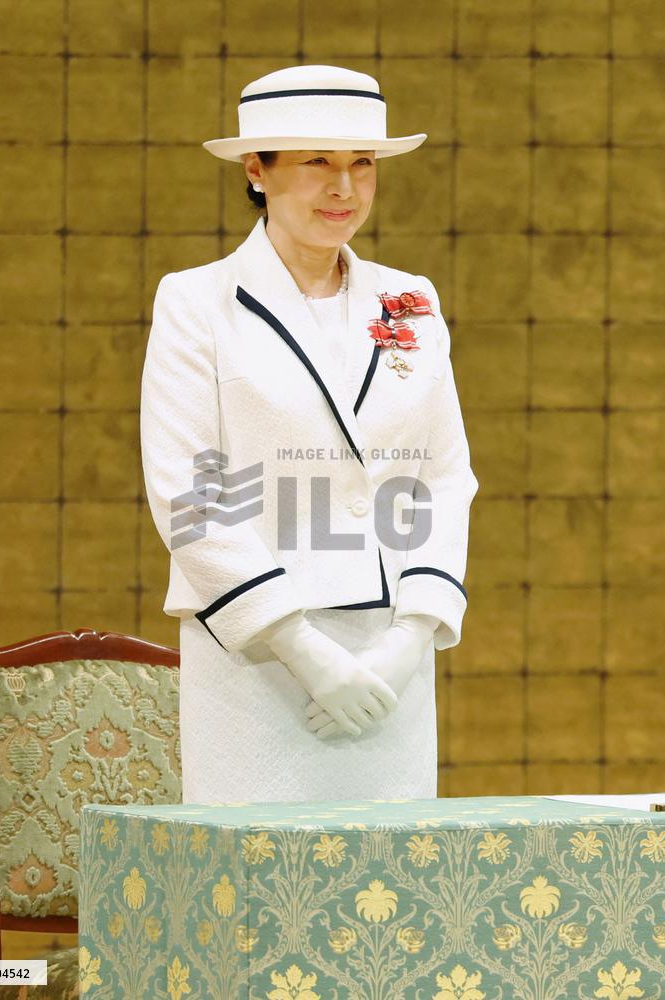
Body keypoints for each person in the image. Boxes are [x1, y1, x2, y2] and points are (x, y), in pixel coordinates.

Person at [140, 64, 479, 804]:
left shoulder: (408, 298)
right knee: (258, 896)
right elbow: (191, 491)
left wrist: (410, 637)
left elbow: (444, 475)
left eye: (362, 164)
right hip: (256, 655)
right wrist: (300, 647)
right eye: (317, 163)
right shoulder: (197, 302)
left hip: (391, 653)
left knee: (390, 895)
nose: (345, 189)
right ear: (255, 171)